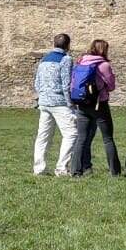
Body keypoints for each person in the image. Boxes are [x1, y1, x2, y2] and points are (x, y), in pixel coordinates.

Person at [71, 39, 121, 177]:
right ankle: (114, 171)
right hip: (99, 104)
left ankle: (75, 171)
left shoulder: (81, 62)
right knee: (107, 138)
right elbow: (111, 86)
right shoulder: (103, 65)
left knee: (81, 138)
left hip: (82, 103)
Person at [32, 33, 77, 177]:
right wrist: (70, 103)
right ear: (68, 45)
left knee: (43, 136)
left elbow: (37, 83)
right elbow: (66, 84)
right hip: (60, 103)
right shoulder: (66, 59)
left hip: (44, 102)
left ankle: (39, 168)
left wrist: (42, 96)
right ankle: (62, 168)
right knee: (71, 133)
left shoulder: (44, 59)